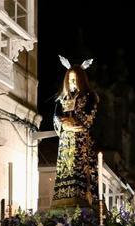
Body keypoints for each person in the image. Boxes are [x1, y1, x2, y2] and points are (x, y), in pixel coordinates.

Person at [52, 58, 99, 207]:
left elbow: (89, 117)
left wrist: (75, 122)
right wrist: (63, 123)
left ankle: (84, 199)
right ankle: (64, 198)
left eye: (75, 79)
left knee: (80, 169)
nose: (72, 83)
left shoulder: (89, 97)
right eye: (70, 79)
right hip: (66, 141)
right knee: (66, 169)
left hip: (81, 140)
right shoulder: (62, 98)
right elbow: (56, 117)